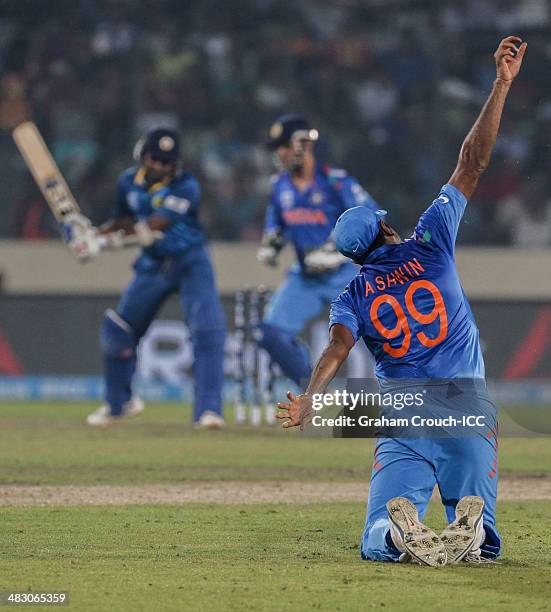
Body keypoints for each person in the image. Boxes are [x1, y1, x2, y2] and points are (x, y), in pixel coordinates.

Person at [277, 38, 527, 565]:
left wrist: (310, 403)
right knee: (487, 540)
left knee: (375, 533)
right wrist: (501, 85)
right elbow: (473, 161)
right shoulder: (432, 239)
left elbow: (337, 351)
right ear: (386, 227)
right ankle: (474, 532)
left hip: (403, 410)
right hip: (466, 406)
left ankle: (394, 536)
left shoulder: (354, 292)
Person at [82, 128, 226, 429]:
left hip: (190, 262)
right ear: (143, 156)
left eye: (167, 161)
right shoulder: (127, 182)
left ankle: (208, 411)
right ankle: (118, 404)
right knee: (117, 330)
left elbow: (155, 224)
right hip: (153, 265)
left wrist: (110, 243)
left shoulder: (187, 185)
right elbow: (122, 220)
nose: (161, 166)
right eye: (156, 159)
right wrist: (92, 235)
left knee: (207, 330)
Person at [257, 114, 380, 386]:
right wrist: (272, 244)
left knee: (386, 336)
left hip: (348, 276)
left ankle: (421, 397)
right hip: (305, 277)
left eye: (284, 146)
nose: (280, 154)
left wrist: (338, 251)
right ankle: (312, 394)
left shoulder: (336, 182)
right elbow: (275, 225)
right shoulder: (280, 186)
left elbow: (373, 217)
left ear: (303, 145)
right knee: (270, 334)